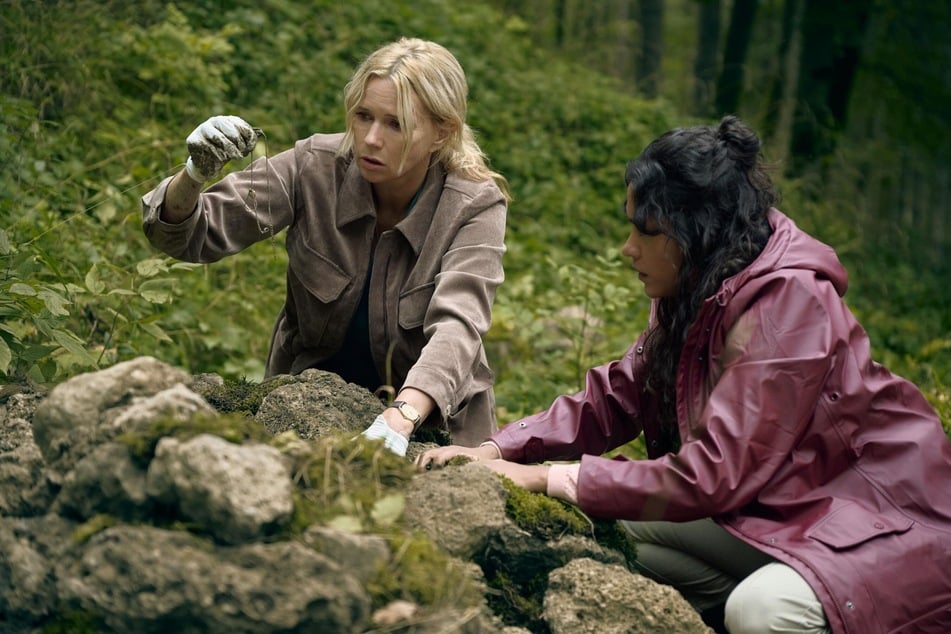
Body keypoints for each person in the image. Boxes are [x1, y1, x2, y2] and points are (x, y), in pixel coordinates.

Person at [418, 116, 951, 633]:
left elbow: (713, 473)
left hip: (880, 529)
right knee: (613, 531)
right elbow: (619, 396)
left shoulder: (790, 303)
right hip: (787, 510)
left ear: (694, 233)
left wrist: (541, 476)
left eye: (644, 232)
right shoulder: (700, 286)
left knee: (762, 613)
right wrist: (497, 452)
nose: (628, 249)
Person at [142, 37, 510, 454]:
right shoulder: (314, 167)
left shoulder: (473, 205)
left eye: (396, 124)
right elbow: (185, 236)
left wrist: (400, 417)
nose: (371, 138)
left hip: (439, 431)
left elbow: (459, 326)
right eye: (363, 116)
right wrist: (193, 175)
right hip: (304, 411)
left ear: (441, 133)